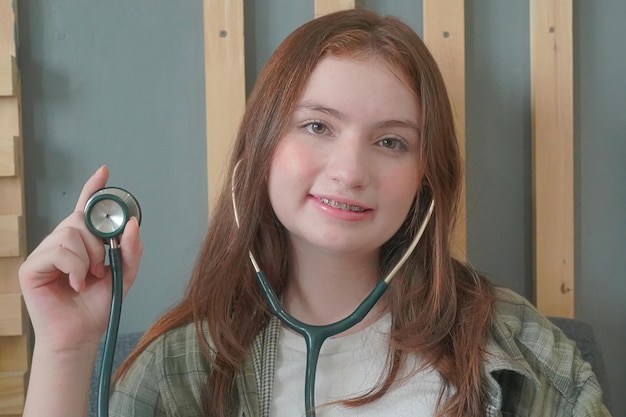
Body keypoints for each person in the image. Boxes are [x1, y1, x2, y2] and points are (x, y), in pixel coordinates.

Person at [19, 8, 610, 417]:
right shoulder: (180, 366)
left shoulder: (516, 341)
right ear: (262, 146)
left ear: (426, 175)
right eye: (317, 126)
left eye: (391, 142)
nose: (350, 170)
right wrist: (65, 349)